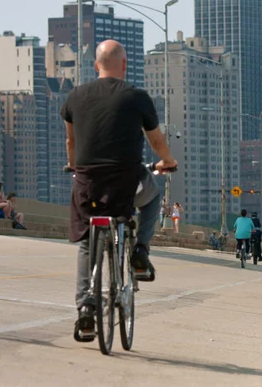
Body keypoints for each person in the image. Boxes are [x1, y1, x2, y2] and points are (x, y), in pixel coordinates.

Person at [61, 39, 177, 342]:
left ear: (95, 64)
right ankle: (140, 251)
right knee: (153, 200)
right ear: (124, 66)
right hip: (127, 183)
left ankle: (86, 310)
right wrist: (168, 161)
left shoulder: (74, 96)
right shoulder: (137, 97)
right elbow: (155, 140)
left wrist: (74, 166)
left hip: (87, 183)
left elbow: (71, 142)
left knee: (87, 243)